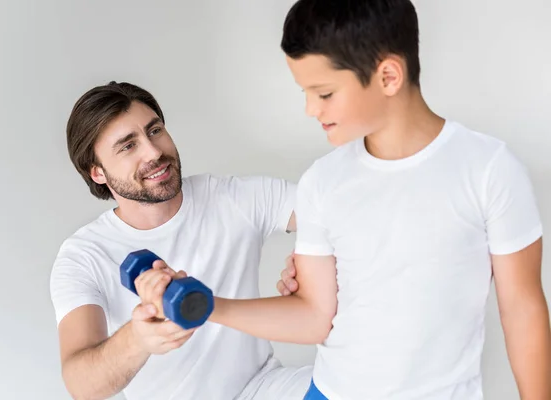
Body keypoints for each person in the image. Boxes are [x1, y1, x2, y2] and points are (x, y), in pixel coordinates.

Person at [138, 0, 551, 399]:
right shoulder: (323, 181)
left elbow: (522, 311)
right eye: (305, 92)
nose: (309, 109)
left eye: (324, 93)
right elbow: (315, 317)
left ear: (388, 76)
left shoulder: (489, 169)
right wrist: (207, 305)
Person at [49, 81, 311, 400]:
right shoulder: (83, 256)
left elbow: (342, 216)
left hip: (263, 388)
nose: (154, 151)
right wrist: (138, 338)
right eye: (128, 146)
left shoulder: (232, 198)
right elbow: (82, 384)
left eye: (155, 130)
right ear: (97, 173)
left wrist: (313, 254)